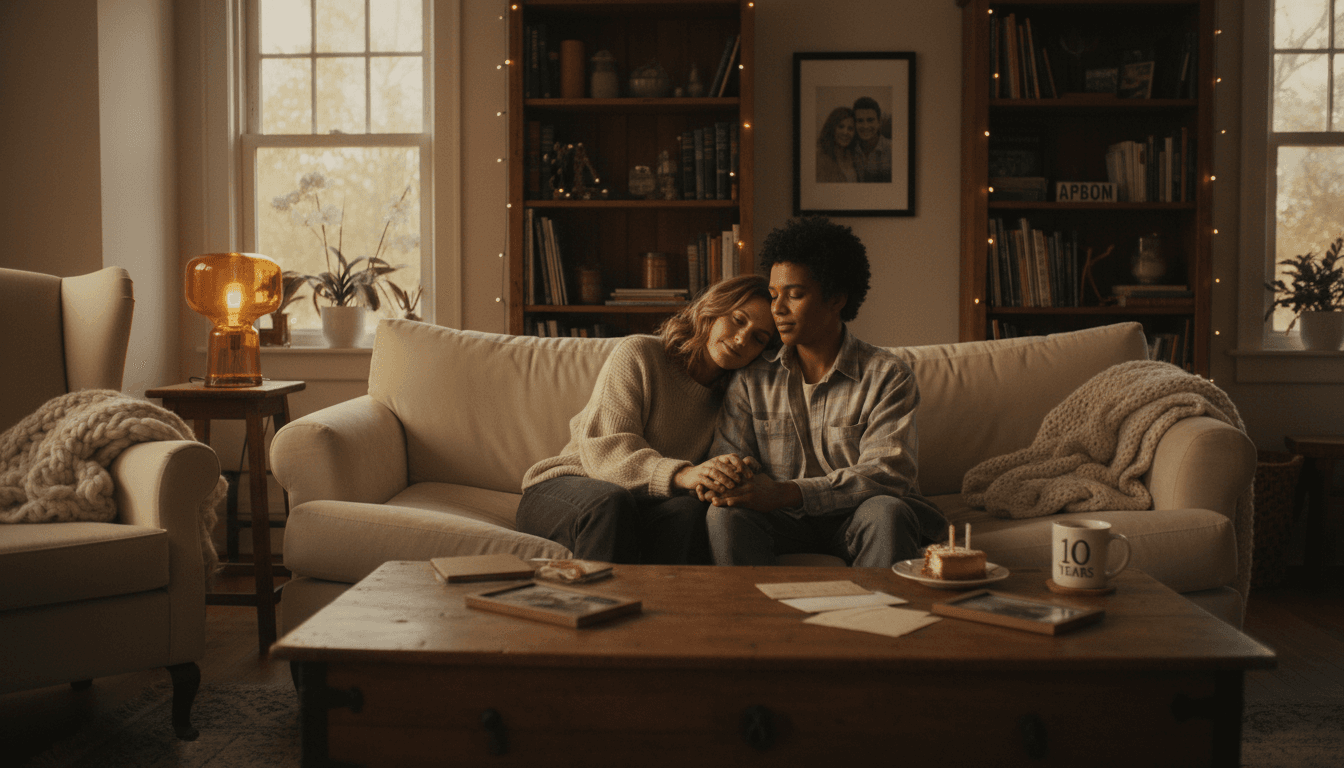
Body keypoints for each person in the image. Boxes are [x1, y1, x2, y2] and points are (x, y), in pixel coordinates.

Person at [701, 217, 945, 567]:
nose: (778, 309)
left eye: (795, 295)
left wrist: (787, 493)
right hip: (781, 522)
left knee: (887, 512)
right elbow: (731, 452)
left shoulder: (886, 375)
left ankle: (883, 619)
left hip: (858, 516)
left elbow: (888, 473)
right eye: (773, 296)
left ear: (836, 298)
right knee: (725, 515)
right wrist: (729, 477)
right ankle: (748, 620)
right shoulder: (752, 377)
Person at [517, 274, 775, 565]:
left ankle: (663, 609)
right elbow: (605, 453)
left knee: (688, 513)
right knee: (611, 503)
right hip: (565, 488)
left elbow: (724, 458)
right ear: (713, 310)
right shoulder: (640, 354)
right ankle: (593, 607)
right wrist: (683, 474)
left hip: (642, 504)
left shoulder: (736, 396)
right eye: (738, 320)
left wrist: (733, 470)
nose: (742, 339)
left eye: (758, 338)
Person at [851, 96, 892, 183]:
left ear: (879, 121)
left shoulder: (893, 150)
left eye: (870, 120)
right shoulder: (850, 151)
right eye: (860, 120)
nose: (865, 126)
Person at [815, 106, 858, 183]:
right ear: (832, 128)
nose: (845, 132)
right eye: (841, 127)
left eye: (850, 128)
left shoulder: (854, 157)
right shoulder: (819, 160)